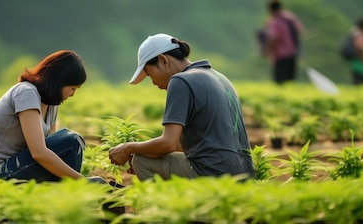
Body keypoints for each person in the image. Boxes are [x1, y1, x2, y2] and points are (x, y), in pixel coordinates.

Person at [108, 33, 256, 181]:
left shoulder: (180, 81)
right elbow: (181, 145)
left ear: (163, 60)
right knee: (148, 158)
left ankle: (164, 204)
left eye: (148, 73)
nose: (153, 82)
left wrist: (128, 148)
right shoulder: (219, 77)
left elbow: (168, 143)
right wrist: (149, 152)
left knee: (141, 161)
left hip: (213, 174)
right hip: (243, 175)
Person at [0, 50, 102, 183]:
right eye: (72, 88)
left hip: (11, 167)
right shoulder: (26, 93)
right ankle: (72, 197)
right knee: (71, 141)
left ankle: (64, 201)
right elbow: (39, 153)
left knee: (68, 146)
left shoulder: (51, 104)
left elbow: (51, 150)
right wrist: (83, 181)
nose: (72, 94)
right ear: (59, 81)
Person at [264, 0, 303, 84]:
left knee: (280, 81)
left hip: (281, 55)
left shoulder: (275, 21)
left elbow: (274, 39)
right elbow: (300, 31)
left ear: (270, 9)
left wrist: (267, 51)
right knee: (290, 81)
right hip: (293, 53)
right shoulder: (290, 18)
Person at [346, 17, 363, 85]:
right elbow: (360, 50)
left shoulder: (354, 33)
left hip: (354, 61)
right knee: (362, 81)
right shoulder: (360, 35)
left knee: (356, 80)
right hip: (359, 61)